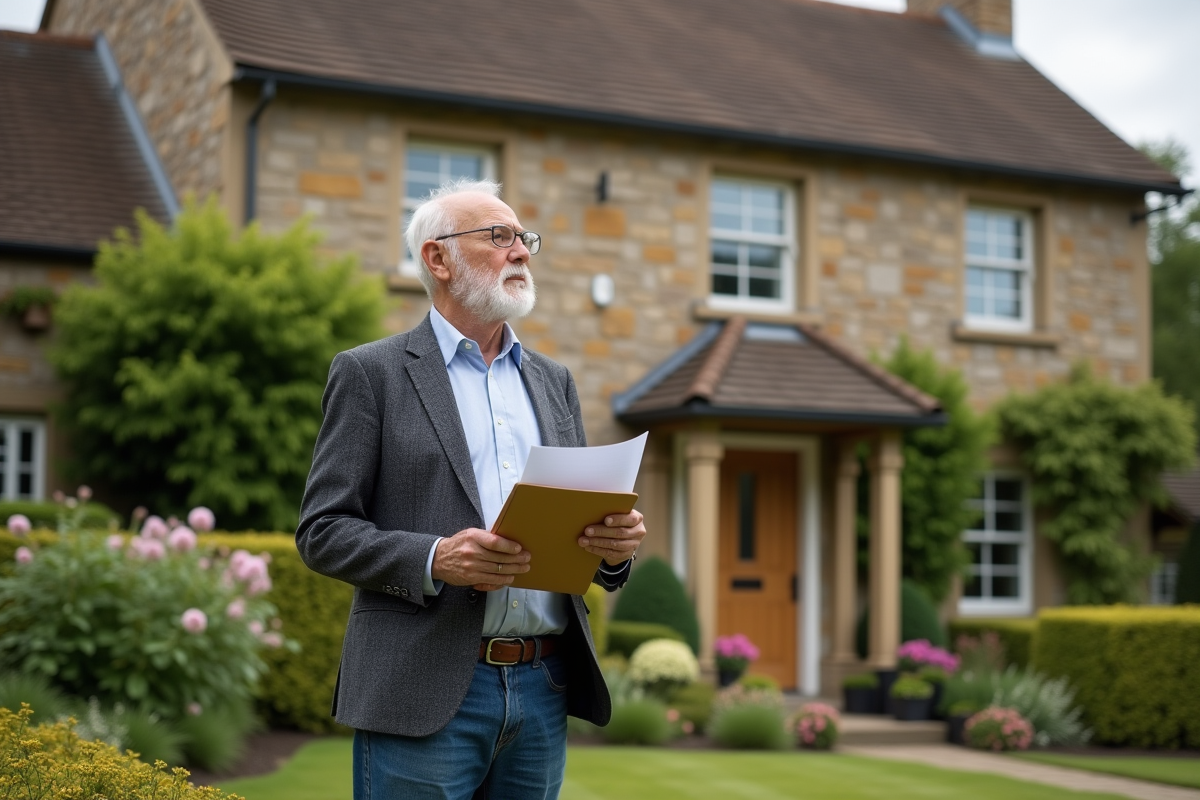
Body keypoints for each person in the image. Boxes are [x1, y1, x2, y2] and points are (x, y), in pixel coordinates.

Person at [296, 178, 647, 799]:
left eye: (524, 238)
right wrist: (436, 558)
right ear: (438, 258)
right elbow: (322, 531)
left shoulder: (554, 381)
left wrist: (613, 550)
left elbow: (577, 533)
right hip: (421, 687)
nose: (521, 252)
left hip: (544, 687)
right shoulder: (369, 373)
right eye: (499, 236)